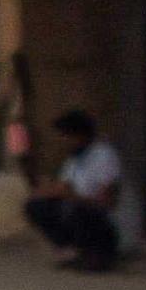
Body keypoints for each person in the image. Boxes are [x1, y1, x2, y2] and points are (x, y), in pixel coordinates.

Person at [27, 110, 129, 272]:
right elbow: (63, 187)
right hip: (77, 210)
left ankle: (98, 254)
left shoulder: (104, 156)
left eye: (67, 136)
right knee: (37, 205)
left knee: (76, 209)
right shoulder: (74, 159)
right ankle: (72, 251)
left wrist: (72, 197)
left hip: (102, 223)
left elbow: (107, 203)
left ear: (81, 135)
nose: (63, 141)